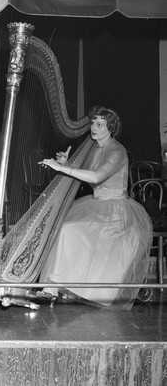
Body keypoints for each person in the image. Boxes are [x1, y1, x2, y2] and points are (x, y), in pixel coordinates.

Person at [37, 105, 152, 310]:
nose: (94, 127)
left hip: (116, 211)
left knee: (68, 229)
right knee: (59, 226)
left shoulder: (116, 150)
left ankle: (53, 286)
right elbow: (87, 176)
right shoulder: (93, 148)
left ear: (111, 128)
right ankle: (53, 287)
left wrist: (63, 168)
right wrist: (67, 162)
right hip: (95, 204)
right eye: (92, 123)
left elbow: (98, 177)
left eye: (100, 124)